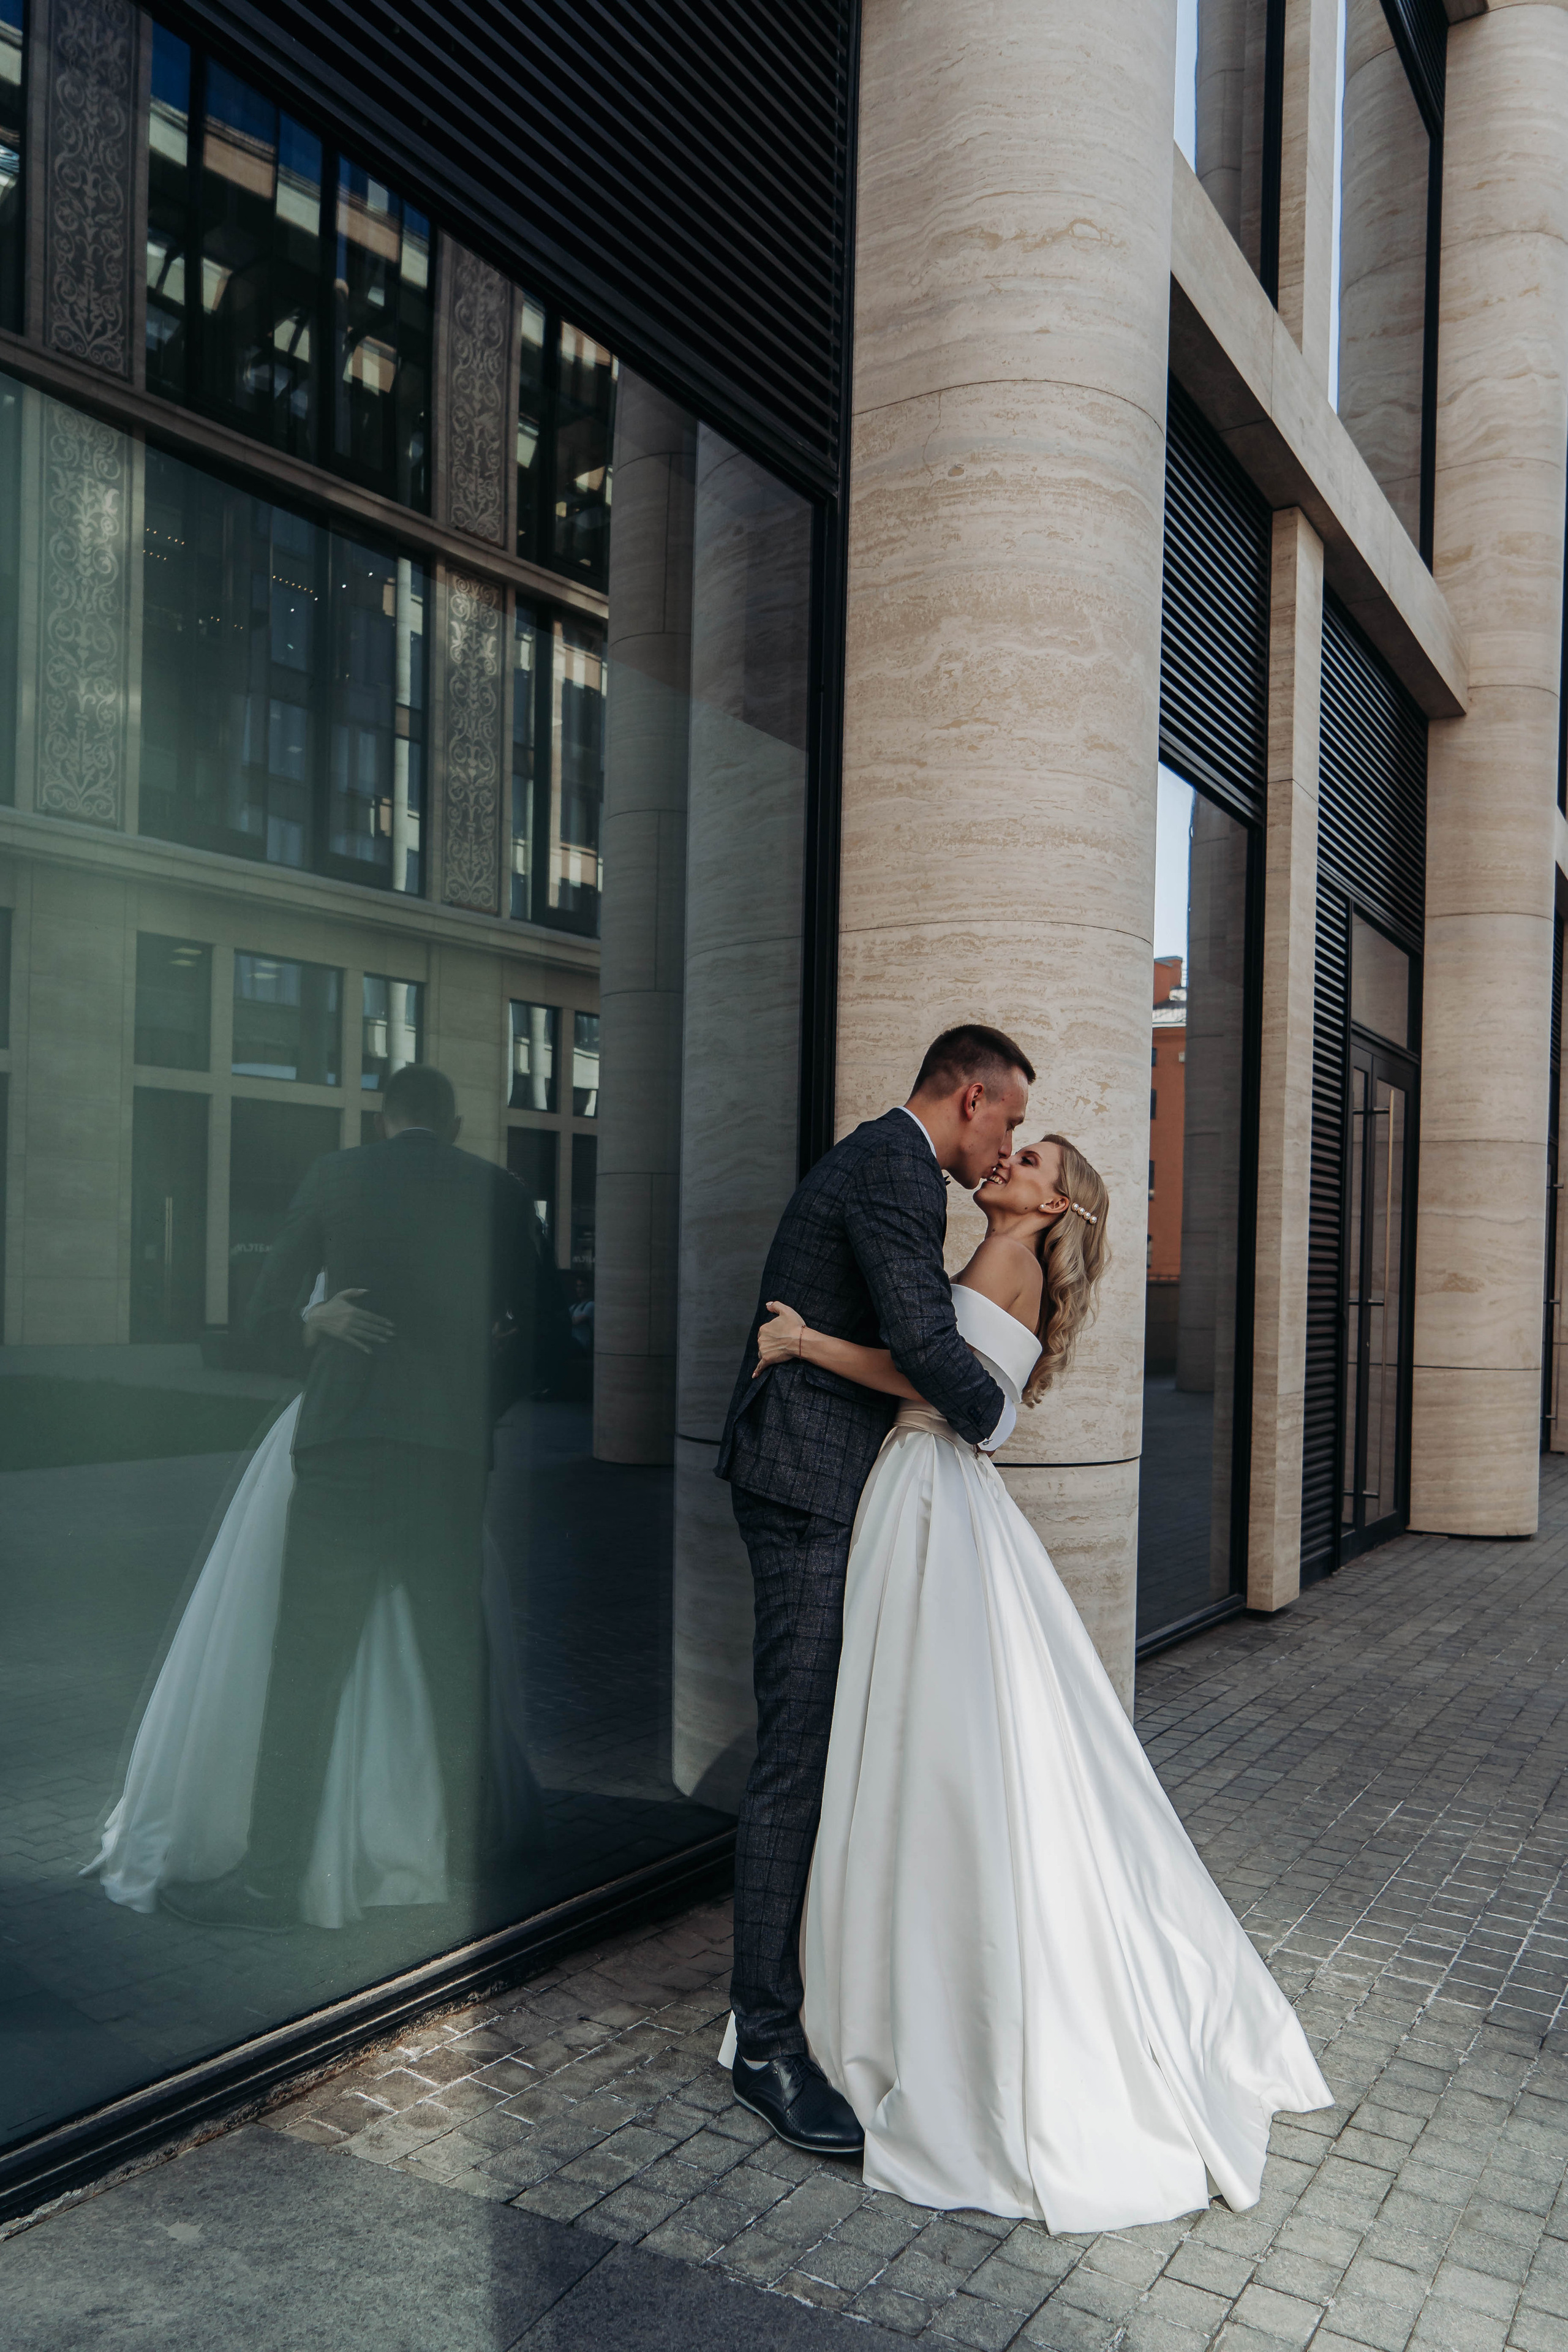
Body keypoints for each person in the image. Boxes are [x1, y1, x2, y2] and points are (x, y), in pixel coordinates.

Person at [727, 1133, 1332, 2232]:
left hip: (923, 1493)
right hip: (922, 1492)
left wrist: (804, 1341)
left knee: (923, 1742)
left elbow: (931, 1377)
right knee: (924, 1740)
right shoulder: (998, 1258)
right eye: (1013, 1147)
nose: (1008, 1160)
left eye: (1034, 1159)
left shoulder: (1004, 1262)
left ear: (1056, 1206)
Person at [715, 1025, 1033, 2156]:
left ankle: (802, 1994)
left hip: (829, 1477)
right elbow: (919, 1329)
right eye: (1009, 1120)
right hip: (804, 1483)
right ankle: (764, 2045)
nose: (1008, 1144)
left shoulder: (895, 1165)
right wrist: (995, 1411)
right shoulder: (897, 1165)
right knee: (798, 1754)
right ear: (971, 1093)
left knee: (828, 1748)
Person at [160, 1064, 549, 1932]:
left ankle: (269, 1881)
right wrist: (467, 1409)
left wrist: (313, 1322)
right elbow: (544, 1341)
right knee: (456, 1660)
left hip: (344, 1447)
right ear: (449, 1121)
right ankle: (469, 1858)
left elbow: (261, 1320)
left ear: (386, 1119)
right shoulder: (498, 1190)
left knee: (307, 1665)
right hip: (446, 1455)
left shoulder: (335, 1177)